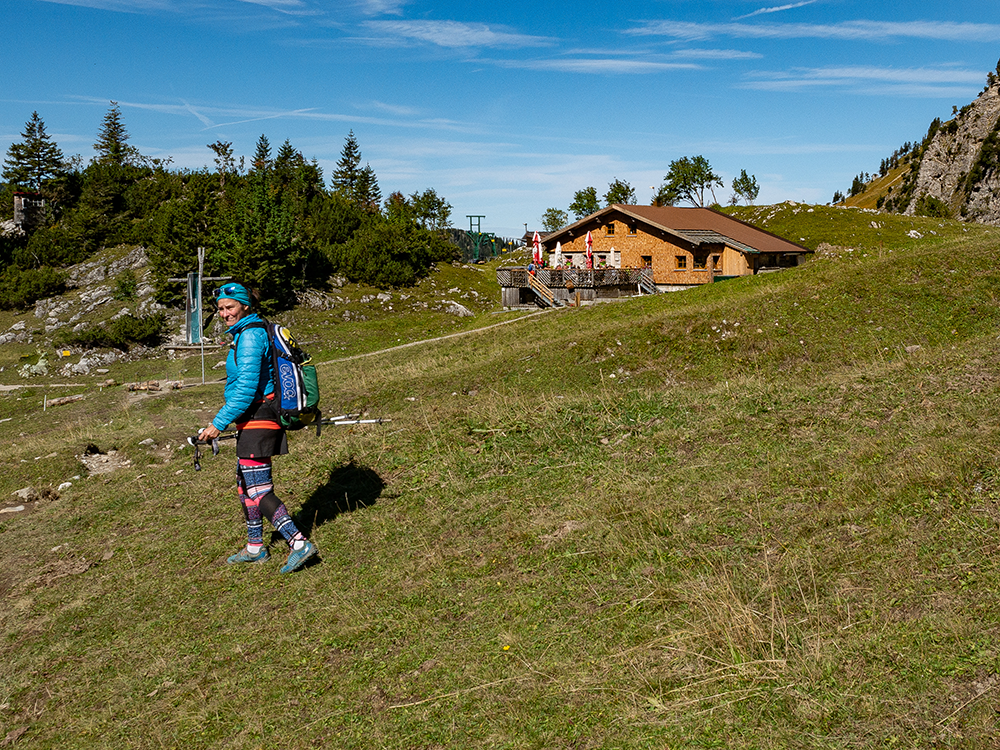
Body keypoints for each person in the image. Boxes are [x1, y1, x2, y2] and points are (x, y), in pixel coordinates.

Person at [199, 282, 317, 574]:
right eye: (221, 309)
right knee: (244, 486)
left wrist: (217, 423)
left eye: (230, 307)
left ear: (244, 306)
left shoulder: (251, 336)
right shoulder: (245, 333)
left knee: (259, 488)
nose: (225, 313)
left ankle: (299, 543)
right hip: (252, 419)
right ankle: (255, 548)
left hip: (260, 418)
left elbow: (247, 390)